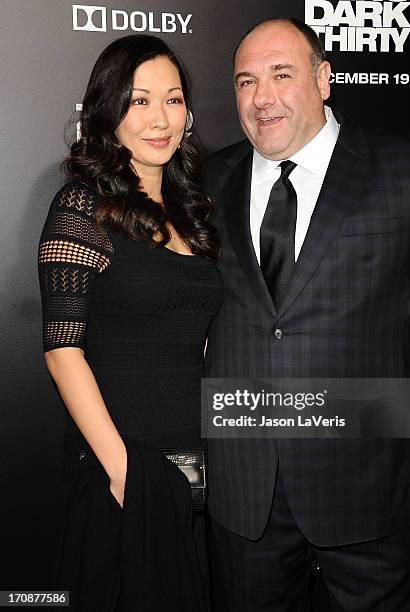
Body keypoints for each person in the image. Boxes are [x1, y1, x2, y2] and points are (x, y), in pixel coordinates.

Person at [203, 17, 410, 612]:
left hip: (373, 489)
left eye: (281, 75)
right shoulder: (206, 182)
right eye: (245, 81)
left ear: (324, 79)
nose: (262, 98)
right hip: (245, 491)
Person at [38, 34, 222, 609]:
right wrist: (125, 474)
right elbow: (62, 349)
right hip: (127, 474)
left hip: (204, 478)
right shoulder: (81, 205)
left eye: (173, 100)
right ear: (108, 110)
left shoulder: (195, 210)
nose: (159, 118)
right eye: (139, 101)